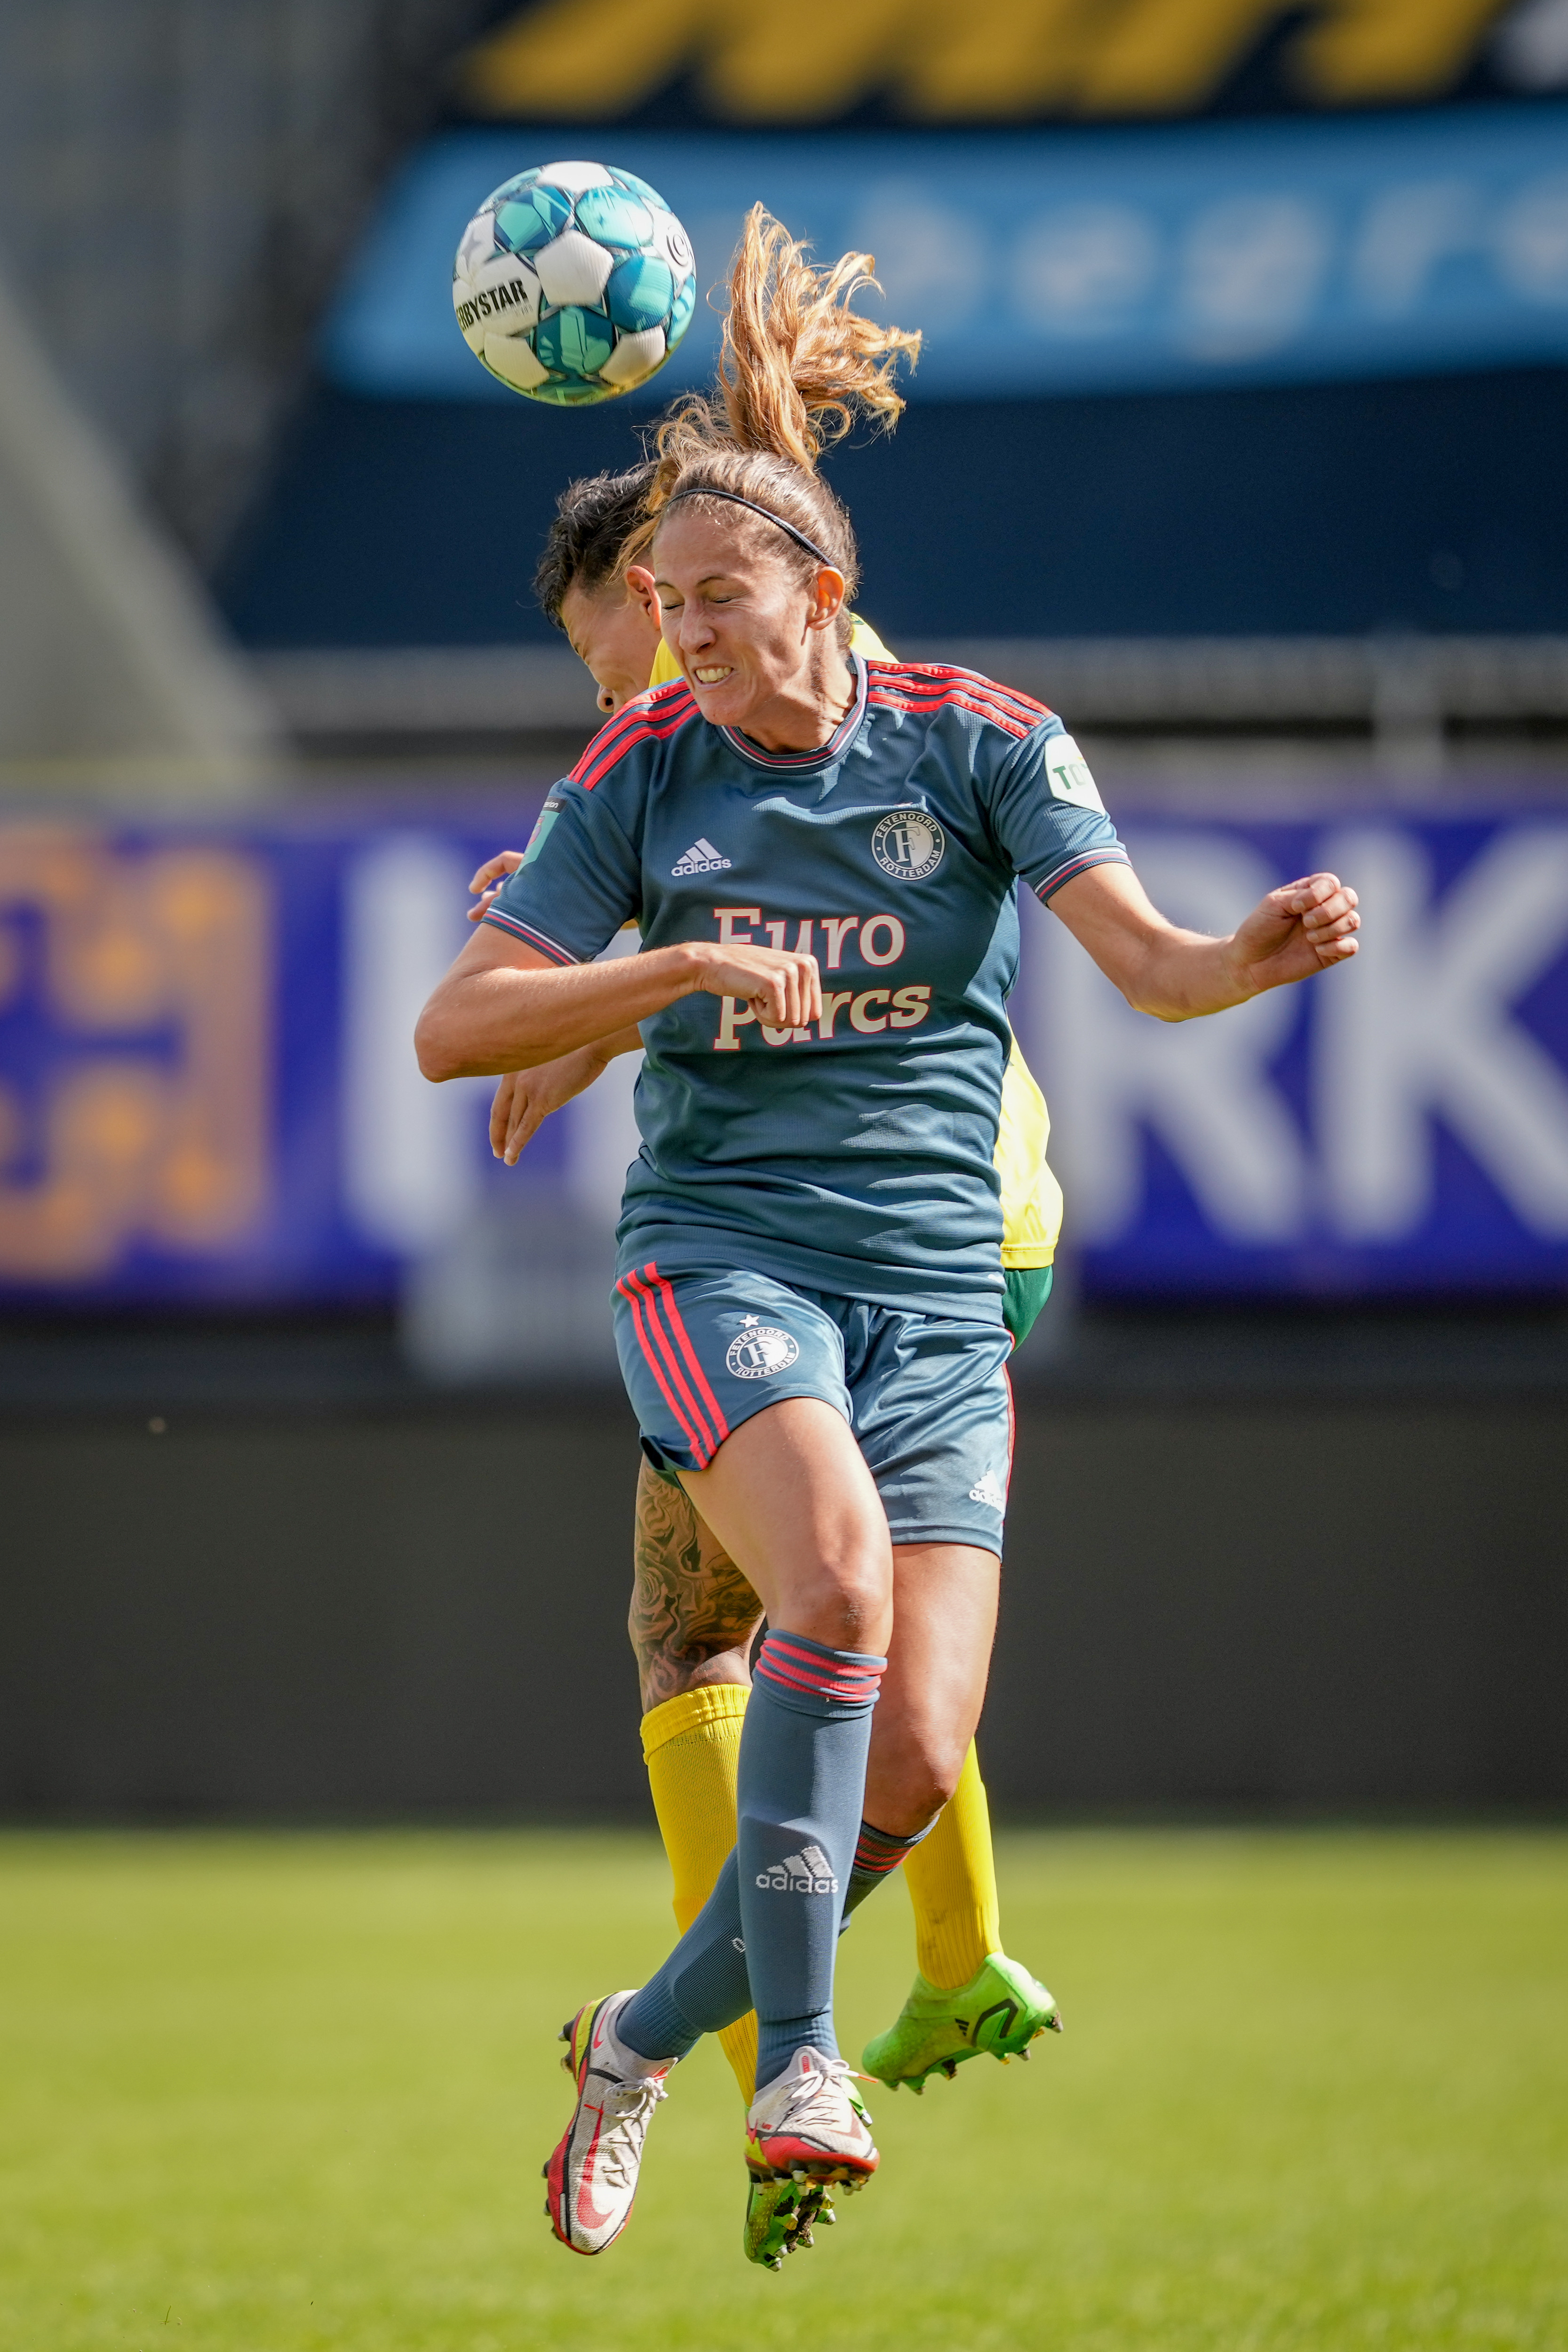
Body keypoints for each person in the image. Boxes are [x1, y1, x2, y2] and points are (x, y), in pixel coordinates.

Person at [415, 207, 1359, 2270]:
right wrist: (653, 980)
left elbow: (1155, 970)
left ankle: (641, 2035)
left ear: (817, 592)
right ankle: (808, 2062)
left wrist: (1244, 959)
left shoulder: (979, 735)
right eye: (656, 614)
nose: (670, 648)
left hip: (943, 1273)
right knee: (805, 1593)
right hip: (729, 1255)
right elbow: (459, 1020)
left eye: (701, 604)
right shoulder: (644, 765)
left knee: (908, 1752)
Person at [469, 460, 1063, 2139]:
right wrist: (590, 984)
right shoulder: (765, 700)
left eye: (628, 653)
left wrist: (597, 992)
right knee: (853, 1604)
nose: (624, 698)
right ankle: (950, 1956)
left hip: (877, 1225)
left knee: (708, 1631)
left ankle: (712, 2054)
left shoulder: (758, 695)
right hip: (978, 1223)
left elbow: (765, 923)